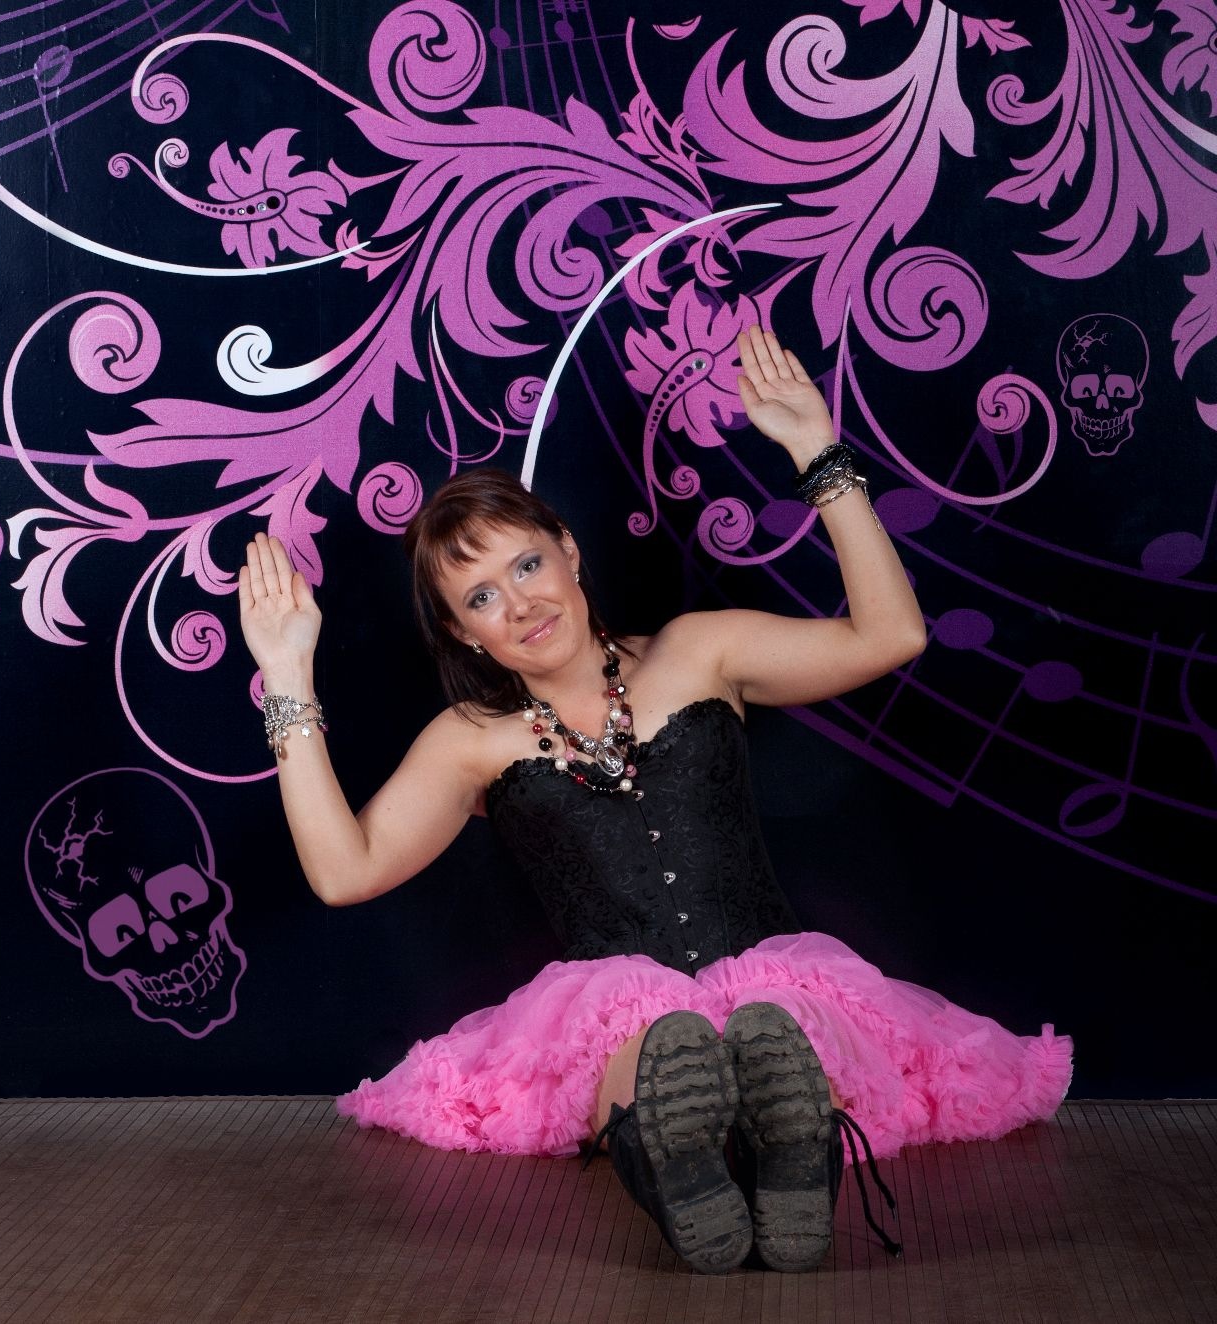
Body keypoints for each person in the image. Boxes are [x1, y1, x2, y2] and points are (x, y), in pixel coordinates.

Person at [238, 326, 1072, 1274]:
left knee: (775, 1035)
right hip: (615, 1015)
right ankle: (682, 1168)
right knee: (659, 1047)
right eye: (480, 599)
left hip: (778, 982)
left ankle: (788, 1154)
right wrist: (287, 675)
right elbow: (343, 872)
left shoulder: (700, 651)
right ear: (465, 635)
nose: (520, 604)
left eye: (525, 566)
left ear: (568, 552)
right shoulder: (471, 741)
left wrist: (818, 454)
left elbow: (892, 636)